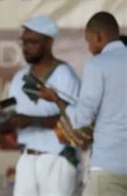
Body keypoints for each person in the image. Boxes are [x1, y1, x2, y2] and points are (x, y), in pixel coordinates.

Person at [38, 12, 127, 196]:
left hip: (110, 166)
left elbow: (82, 117)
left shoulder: (98, 65)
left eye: (89, 41)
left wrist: (56, 99)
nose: (89, 47)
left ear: (99, 36)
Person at [0, 16, 80, 196]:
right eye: (24, 42)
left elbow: (75, 120)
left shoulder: (65, 74)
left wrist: (30, 120)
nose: (26, 47)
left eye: (33, 42)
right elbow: (7, 111)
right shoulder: (18, 77)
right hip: (27, 159)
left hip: (58, 158)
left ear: (49, 42)